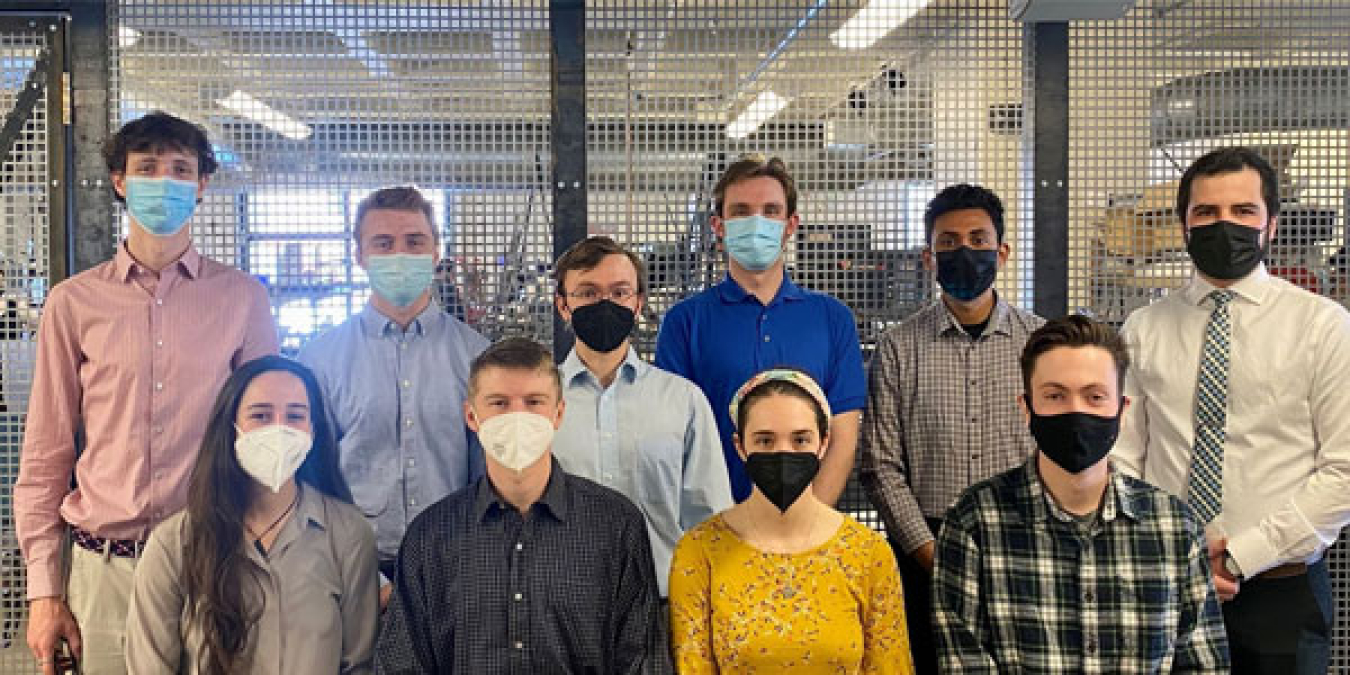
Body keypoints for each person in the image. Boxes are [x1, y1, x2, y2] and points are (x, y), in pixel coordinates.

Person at [15, 111, 279, 675]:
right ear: (120, 181)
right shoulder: (73, 304)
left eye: (180, 169)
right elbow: (45, 458)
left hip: (210, 561)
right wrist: (44, 593)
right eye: (147, 167)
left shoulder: (242, 300)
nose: (164, 180)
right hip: (106, 572)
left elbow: (265, 437)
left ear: (202, 185)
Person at [1113, 146, 1350, 673]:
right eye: (1207, 213)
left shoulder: (1322, 326)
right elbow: (1126, 461)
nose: (1225, 227)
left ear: (1270, 224)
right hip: (1167, 586)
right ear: (1184, 225)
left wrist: (1240, 554)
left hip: (1281, 592)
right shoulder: (1143, 329)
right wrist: (1176, 554)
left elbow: (1343, 471)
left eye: (1243, 212)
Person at [932, 315, 1230, 673]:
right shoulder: (974, 522)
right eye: (1055, 396)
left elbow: (1204, 665)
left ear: (1122, 410)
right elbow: (964, 664)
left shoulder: (1175, 527)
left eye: (1094, 397)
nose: (1076, 411)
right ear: (1026, 408)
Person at [376, 337, 662, 673]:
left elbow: (641, 661)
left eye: (533, 402)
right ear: (471, 415)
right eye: (498, 403)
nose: (516, 417)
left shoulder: (615, 526)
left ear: (558, 413)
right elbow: (401, 664)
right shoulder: (430, 536)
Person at [859, 183, 1043, 673]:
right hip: (926, 553)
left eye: (978, 240)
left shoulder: (1040, 343)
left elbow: (1058, 452)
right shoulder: (899, 347)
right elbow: (880, 465)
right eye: (948, 242)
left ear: (1002, 252)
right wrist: (934, 556)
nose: (964, 252)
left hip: (1022, 548)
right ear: (929, 257)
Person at [125, 356, 378, 674]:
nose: (279, 429)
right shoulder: (173, 544)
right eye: (261, 415)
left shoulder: (348, 534)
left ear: (313, 431)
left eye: (295, 416)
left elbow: (359, 663)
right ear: (230, 428)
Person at [298, 186, 489, 604]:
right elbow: (310, 480)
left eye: (414, 242)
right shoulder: (319, 361)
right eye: (382, 244)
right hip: (349, 575)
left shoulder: (478, 358)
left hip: (455, 574)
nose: (399, 254)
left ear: (436, 252)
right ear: (360, 255)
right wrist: (364, 574)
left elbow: (486, 475)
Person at [669, 368, 914, 674]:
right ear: (740, 447)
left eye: (800, 440)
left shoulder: (869, 553)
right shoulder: (699, 552)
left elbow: (890, 666)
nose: (783, 452)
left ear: (823, 444)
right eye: (765, 441)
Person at [655, 155, 865, 505]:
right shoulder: (684, 322)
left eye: (770, 211)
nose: (756, 223)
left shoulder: (833, 319)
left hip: (808, 529)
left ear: (790, 224)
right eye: (740, 211)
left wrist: (809, 525)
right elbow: (672, 436)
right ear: (719, 226)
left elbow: (843, 436)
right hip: (715, 528)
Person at [551, 235, 732, 601]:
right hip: (562, 606)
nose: (605, 303)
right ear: (563, 306)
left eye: (619, 292)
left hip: (661, 605)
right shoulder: (538, 406)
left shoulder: (682, 402)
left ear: (638, 303)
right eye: (587, 293)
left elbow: (709, 521)